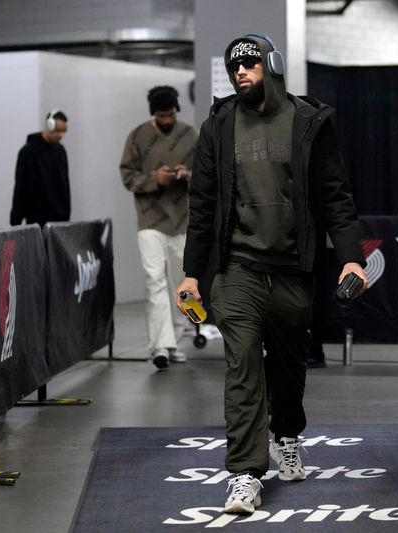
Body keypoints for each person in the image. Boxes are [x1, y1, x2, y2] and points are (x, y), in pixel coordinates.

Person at [175, 34, 367, 514]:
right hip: (236, 268)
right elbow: (201, 205)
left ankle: (287, 434)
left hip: (292, 271)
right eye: (234, 66)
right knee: (242, 364)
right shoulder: (218, 126)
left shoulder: (307, 122)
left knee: (287, 367)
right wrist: (192, 274)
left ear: (273, 66)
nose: (241, 72)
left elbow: (335, 197)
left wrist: (351, 257)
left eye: (250, 64)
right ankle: (243, 474)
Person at [120, 86, 198, 370]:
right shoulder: (137, 137)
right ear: (153, 114)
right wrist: (155, 179)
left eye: (171, 113)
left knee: (183, 283)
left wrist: (184, 174)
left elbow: (205, 173)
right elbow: (127, 176)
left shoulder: (189, 135)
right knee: (154, 281)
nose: (168, 119)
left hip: (182, 220)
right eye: (162, 114)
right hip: (149, 219)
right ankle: (160, 346)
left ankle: (177, 340)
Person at [10, 109, 71, 226]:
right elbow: (21, 188)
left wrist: (66, 214)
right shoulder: (28, 151)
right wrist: (15, 221)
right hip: (38, 219)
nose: (61, 135)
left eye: (64, 131)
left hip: (60, 219)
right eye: (58, 130)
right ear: (49, 125)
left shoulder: (61, 151)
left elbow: (65, 185)